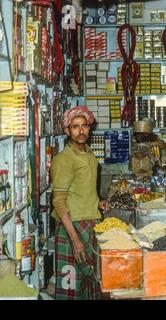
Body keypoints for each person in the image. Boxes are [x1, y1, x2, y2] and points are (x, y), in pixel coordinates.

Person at [51, 106, 110, 300]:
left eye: (84, 126)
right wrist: (75, 241)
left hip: (91, 223)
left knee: (92, 284)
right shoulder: (64, 159)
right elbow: (58, 201)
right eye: (75, 127)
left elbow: (84, 189)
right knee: (72, 289)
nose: (81, 131)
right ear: (67, 130)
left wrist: (98, 202)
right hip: (72, 227)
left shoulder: (89, 154)